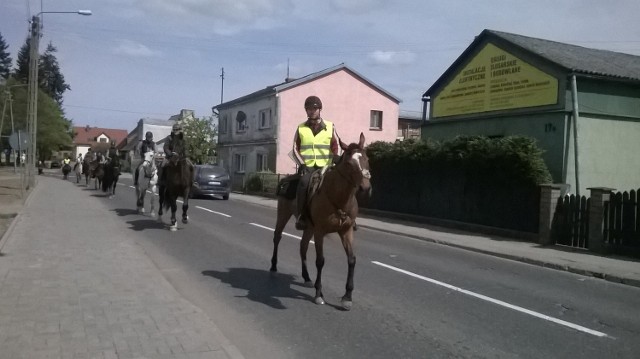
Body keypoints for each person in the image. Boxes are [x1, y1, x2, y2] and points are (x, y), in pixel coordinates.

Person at [293, 95, 341, 230]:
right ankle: (301, 216)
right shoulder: (301, 128)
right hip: (308, 166)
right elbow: (294, 148)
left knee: (341, 182)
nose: (312, 111)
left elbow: (336, 146)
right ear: (306, 111)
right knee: (303, 183)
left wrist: (334, 159)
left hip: (326, 165)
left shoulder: (330, 126)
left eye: (314, 108)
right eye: (308, 109)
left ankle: (348, 215)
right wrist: (302, 164)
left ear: (320, 109)